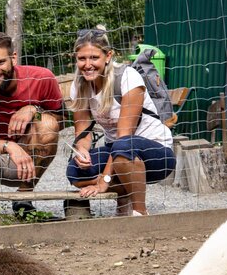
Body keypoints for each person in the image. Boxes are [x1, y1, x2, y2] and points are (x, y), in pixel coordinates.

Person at [66, 27, 175, 216]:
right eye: (82, 59)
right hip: (119, 151)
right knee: (74, 171)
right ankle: (122, 190)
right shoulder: (79, 86)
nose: (87, 64)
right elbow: (82, 132)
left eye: (94, 58)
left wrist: (104, 180)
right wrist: (82, 150)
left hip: (157, 153)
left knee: (123, 146)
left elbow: (124, 136)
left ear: (108, 56)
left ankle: (139, 213)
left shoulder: (127, 77)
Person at [0, 32, 63, 217]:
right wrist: (8, 146)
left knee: (47, 124)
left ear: (13, 58)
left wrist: (34, 109)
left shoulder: (42, 77)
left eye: (0, 62)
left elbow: (61, 121)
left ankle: (23, 199)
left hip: (28, 158)